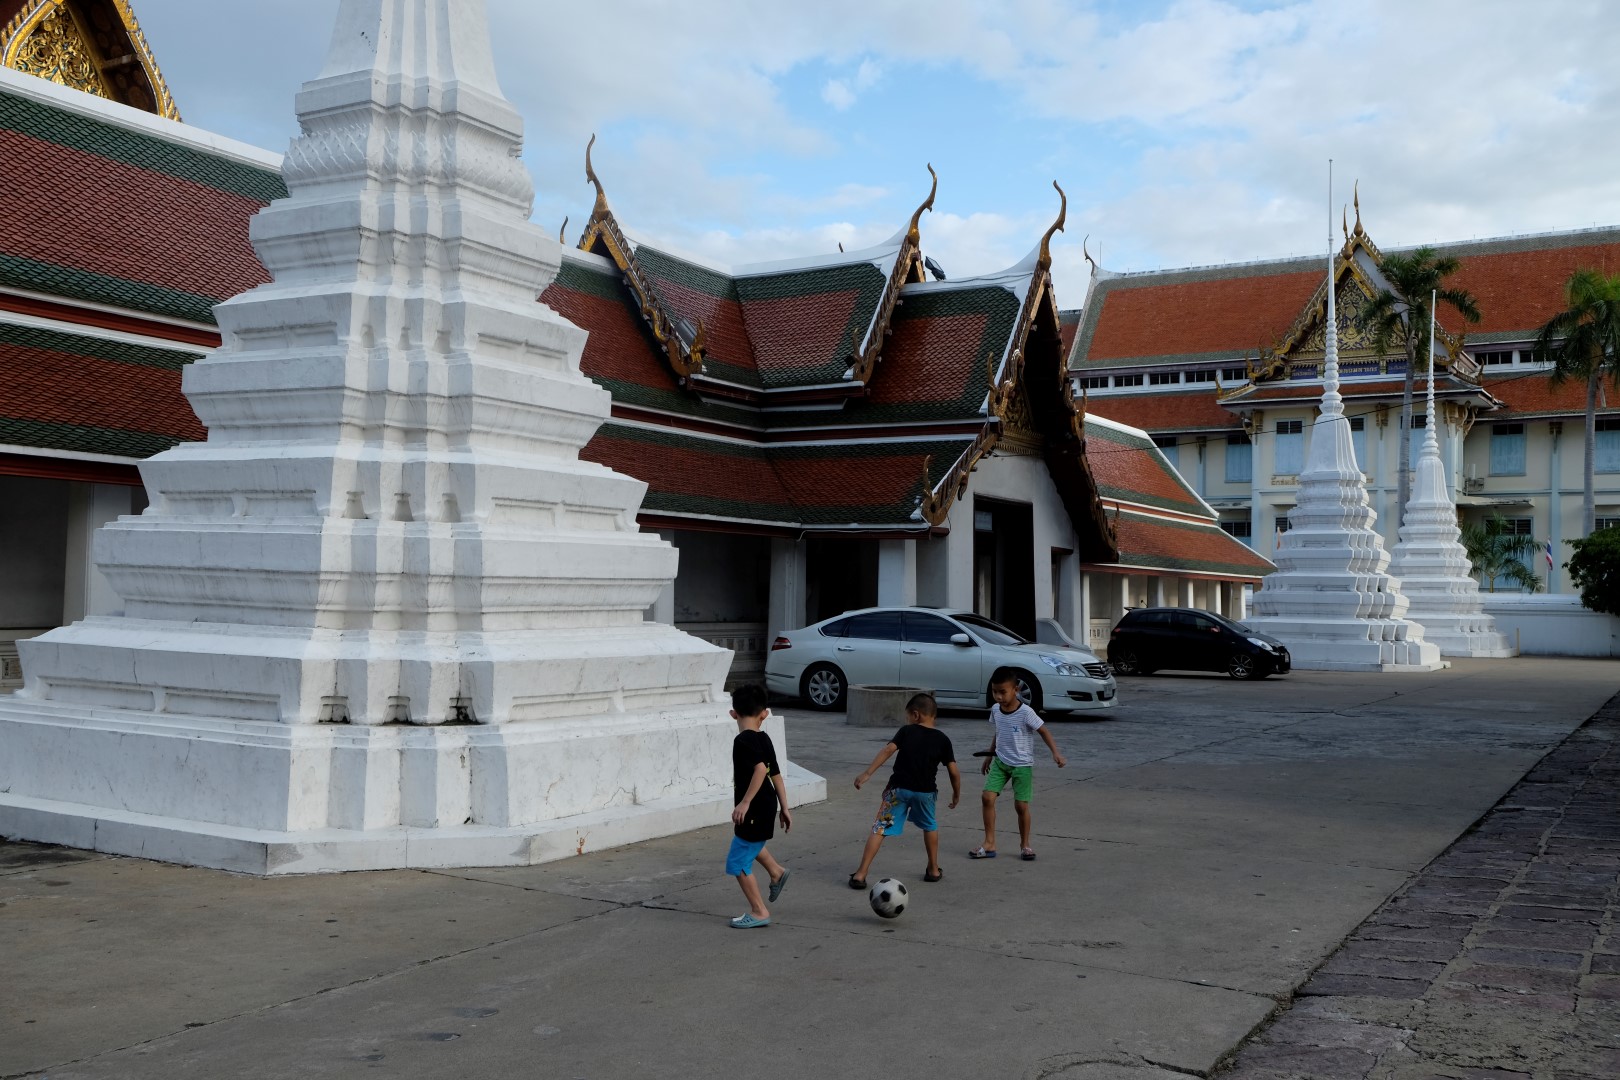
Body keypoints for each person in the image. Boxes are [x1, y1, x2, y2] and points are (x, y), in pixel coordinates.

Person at [848, 692, 961, 890]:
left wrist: (867, 773)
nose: (907, 720)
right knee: (930, 825)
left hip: (898, 791)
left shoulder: (906, 731)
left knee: (880, 828)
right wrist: (956, 794)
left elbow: (888, 750)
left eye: (908, 716)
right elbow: (953, 771)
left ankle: (861, 874)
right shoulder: (943, 739)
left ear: (916, 715)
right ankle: (933, 870)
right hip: (925, 793)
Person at [970, 667, 1065, 861]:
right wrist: (990, 755)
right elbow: (998, 732)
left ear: (1016, 690)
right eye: (994, 692)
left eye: (1003, 692)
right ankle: (989, 843)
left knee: (1021, 807)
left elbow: (1043, 731)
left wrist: (1055, 753)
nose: (998, 697)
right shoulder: (996, 710)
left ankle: (1025, 845)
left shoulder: (1026, 712)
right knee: (987, 797)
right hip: (1000, 762)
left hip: (1022, 765)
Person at [726, 683, 792, 929]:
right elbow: (776, 774)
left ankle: (759, 911)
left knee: (737, 863)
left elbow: (761, 770)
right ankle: (776, 872)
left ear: (733, 713)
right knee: (749, 842)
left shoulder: (743, 740)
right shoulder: (764, 738)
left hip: (754, 807)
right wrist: (785, 807)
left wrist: (744, 803)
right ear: (764, 714)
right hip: (767, 804)